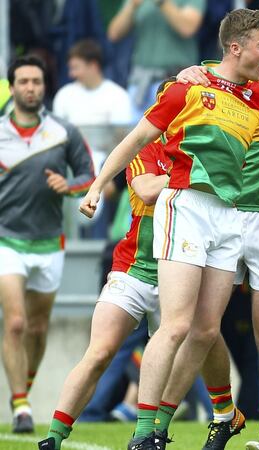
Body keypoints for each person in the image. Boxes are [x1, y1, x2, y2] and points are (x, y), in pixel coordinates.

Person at [79, 8, 259, 449]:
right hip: (187, 206)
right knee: (175, 325)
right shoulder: (188, 86)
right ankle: (144, 434)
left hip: (228, 215)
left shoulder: (254, 96)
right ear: (236, 47)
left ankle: (176, 425)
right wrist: (97, 184)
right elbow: (135, 140)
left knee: (206, 331)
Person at [38, 139, 168, 450]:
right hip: (133, 268)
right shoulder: (146, 150)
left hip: (181, 271)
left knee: (194, 344)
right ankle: (54, 437)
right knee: (99, 353)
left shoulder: (211, 146)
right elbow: (148, 189)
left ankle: (153, 433)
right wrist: (194, 174)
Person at [0, 55, 95, 434]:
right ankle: (21, 405)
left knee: (38, 327)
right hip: (6, 239)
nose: (30, 88)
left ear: (44, 86)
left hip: (50, 243)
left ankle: (24, 387)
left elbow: (90, 176)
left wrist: (69, 187)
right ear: (12, 86)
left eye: (36, 81)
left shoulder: (64, 131)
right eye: (23, 81)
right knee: (17, 322)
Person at [107, 0, 206, 117]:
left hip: (176, 82)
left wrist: (162, 3)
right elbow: (114, 34)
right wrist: (131, 6)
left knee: (172, 133)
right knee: (135, 133)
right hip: (140, 83)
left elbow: (188, 28)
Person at [53, 39, 134, 126]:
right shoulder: (64, 94)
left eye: (75, 68)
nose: (71, 74)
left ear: (93, 66)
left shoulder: (118, 96)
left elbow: (121, 133)